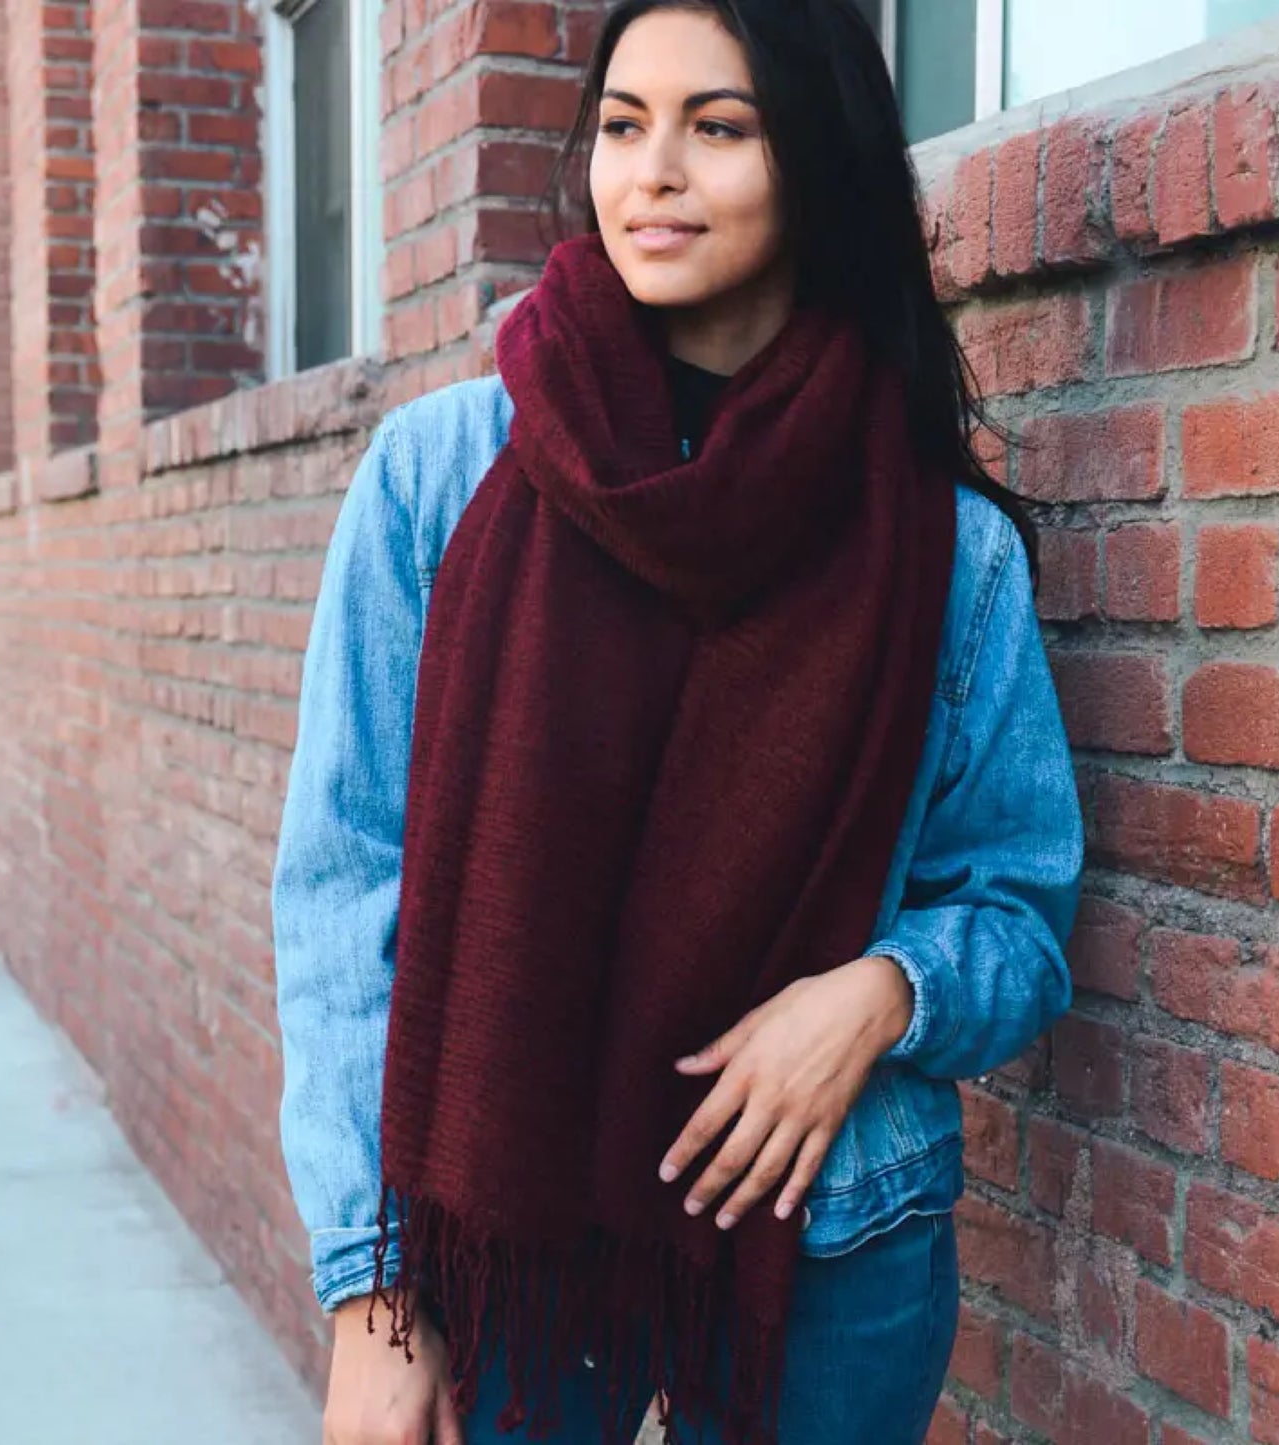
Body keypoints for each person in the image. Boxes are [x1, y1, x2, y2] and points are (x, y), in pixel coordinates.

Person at [271, 2, 1083, 1443]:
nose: (652, 171)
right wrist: (370, 1294)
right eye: (625, 126)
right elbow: (347, 891)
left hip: (832, 1223)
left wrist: (882, 990)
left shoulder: (940, 547)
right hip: (505, 1235)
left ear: (815, 159)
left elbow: (1019, 911)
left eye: (718, 127)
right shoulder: (442, 479)